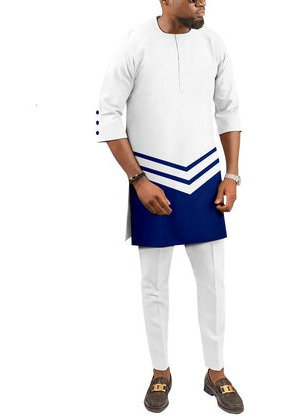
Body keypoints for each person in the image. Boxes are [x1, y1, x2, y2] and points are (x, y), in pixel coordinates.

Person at [95, 0, 244, 413]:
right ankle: (161, 372)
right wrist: (138, 180)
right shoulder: (134, 44)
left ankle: (216, 373)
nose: (201, 2)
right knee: (154, 285)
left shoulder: (214, 44)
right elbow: (107, 114)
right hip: (152, 180)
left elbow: (229, 110)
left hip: (205, 179)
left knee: (214, 283)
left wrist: (232, 175)